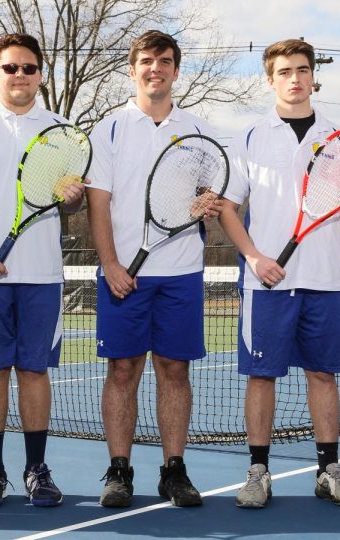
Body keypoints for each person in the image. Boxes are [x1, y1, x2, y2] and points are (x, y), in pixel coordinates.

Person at [217, 38, 340, 509]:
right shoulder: (248, 137)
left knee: (323, 375)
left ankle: (328, 470)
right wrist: (255, 257)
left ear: (312, 76)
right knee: (262, 377)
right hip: (267, 283)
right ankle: (259, 472)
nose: (295, 79)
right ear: (271, 78)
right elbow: (226, 208)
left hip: (323, 278)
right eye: (285, 72)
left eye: (302, 70)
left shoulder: (339, 138)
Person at [86, 29, 222, 508]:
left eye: (164, 60)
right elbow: (98, 203)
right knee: (123, 371)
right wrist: (109, 264)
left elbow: (212, 196)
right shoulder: (109, 129)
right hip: (124, 273)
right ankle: (119, 470)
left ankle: (174, 470)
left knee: (174, 371)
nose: (155, 68)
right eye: (146, 60)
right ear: (133, 68)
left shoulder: (200, 130)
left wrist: (208, 202)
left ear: (176, 70)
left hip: (181, 271)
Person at [0, 33, 86, 508]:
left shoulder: (62, 130)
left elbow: (72, 196)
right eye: (11, 68)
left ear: (40, 74)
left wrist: (75, 196)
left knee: (33, 371)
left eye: (29, 68)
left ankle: (36, 469)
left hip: (42, 274)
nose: (20, 76)